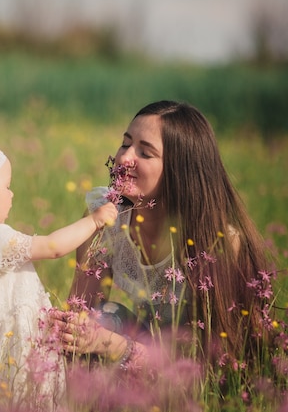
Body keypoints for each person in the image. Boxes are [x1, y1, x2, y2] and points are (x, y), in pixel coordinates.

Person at [53, 100, 271, 370]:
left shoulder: (219, 243)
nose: (124, 158)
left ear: (179, 171)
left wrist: (114, 345)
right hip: (140, 349)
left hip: (191, 368)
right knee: (101, 318)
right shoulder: (103, 219)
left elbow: (217, 354)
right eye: (125, 143)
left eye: (145, 153)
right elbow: (81, 312)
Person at [0, 137, 118, 407]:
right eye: (6, 187)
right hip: (7, 352)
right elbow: (52, 246)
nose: (11, 194)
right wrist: (95, 220)